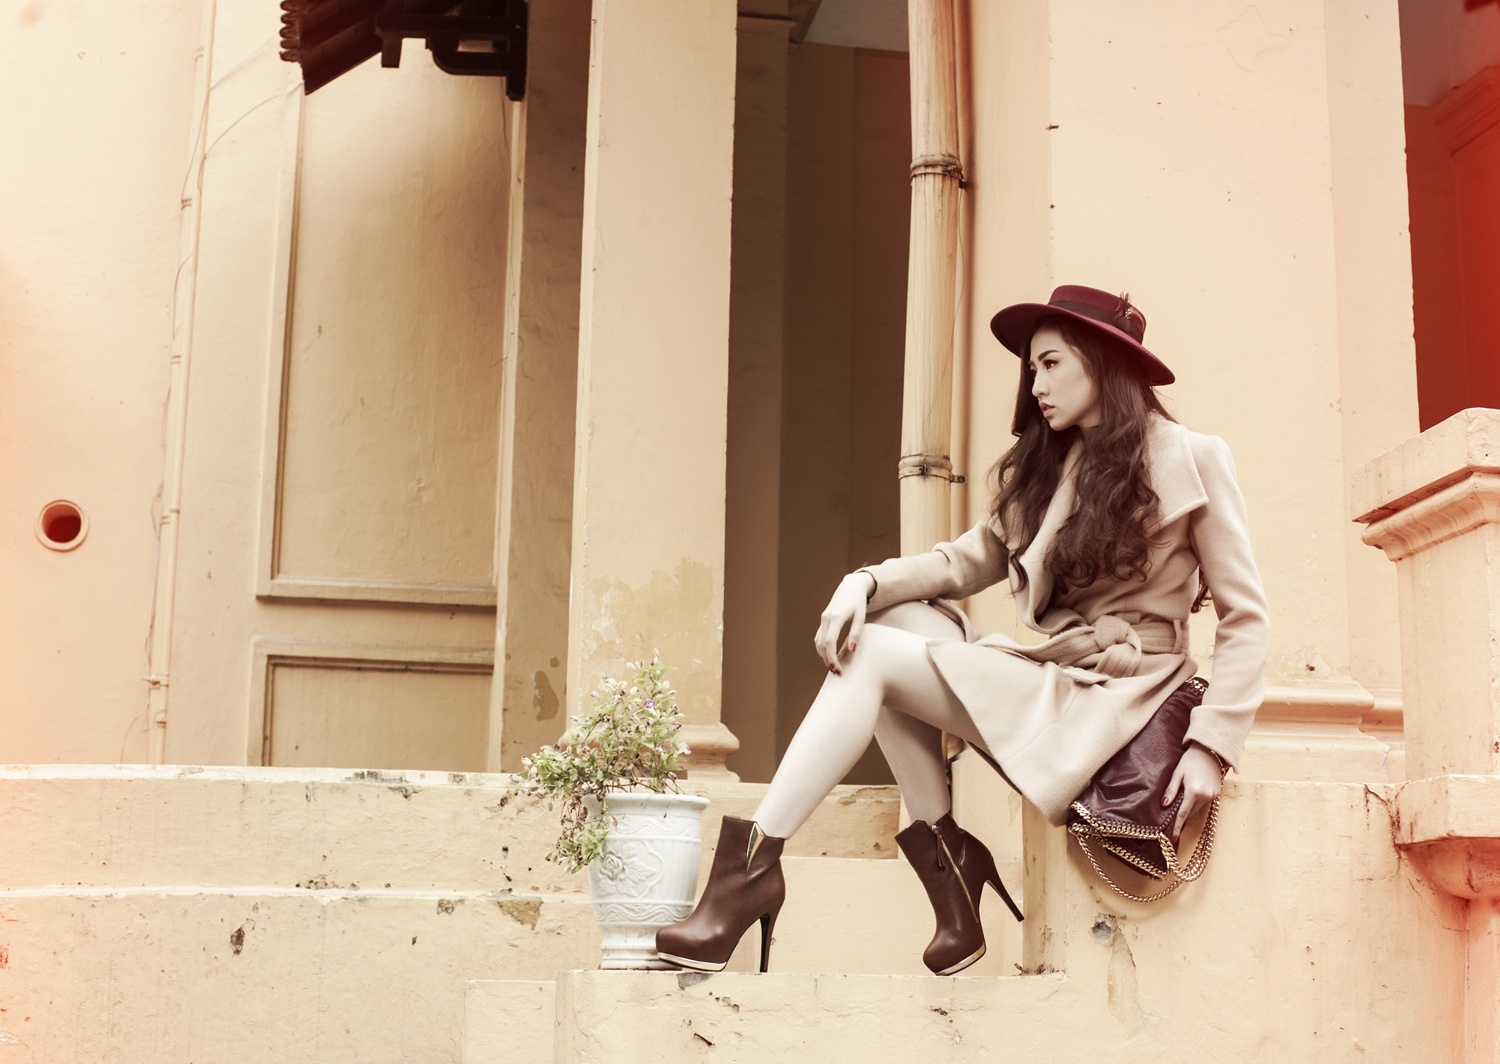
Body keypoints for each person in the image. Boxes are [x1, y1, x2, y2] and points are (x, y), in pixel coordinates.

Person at [656, 285, 1271, 977]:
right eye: (1031, 369)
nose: (1035, 386)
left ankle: (753, 875)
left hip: (1127, 700)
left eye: (1051, 364)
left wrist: (1211, 748)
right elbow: (958, 563)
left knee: (873, 655)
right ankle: (947, 865)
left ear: (1102, 362)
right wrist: (862, 582)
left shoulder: (1193, 456)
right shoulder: (1053, 469)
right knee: (879, 622)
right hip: (1061, 680)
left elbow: (1246, 617)